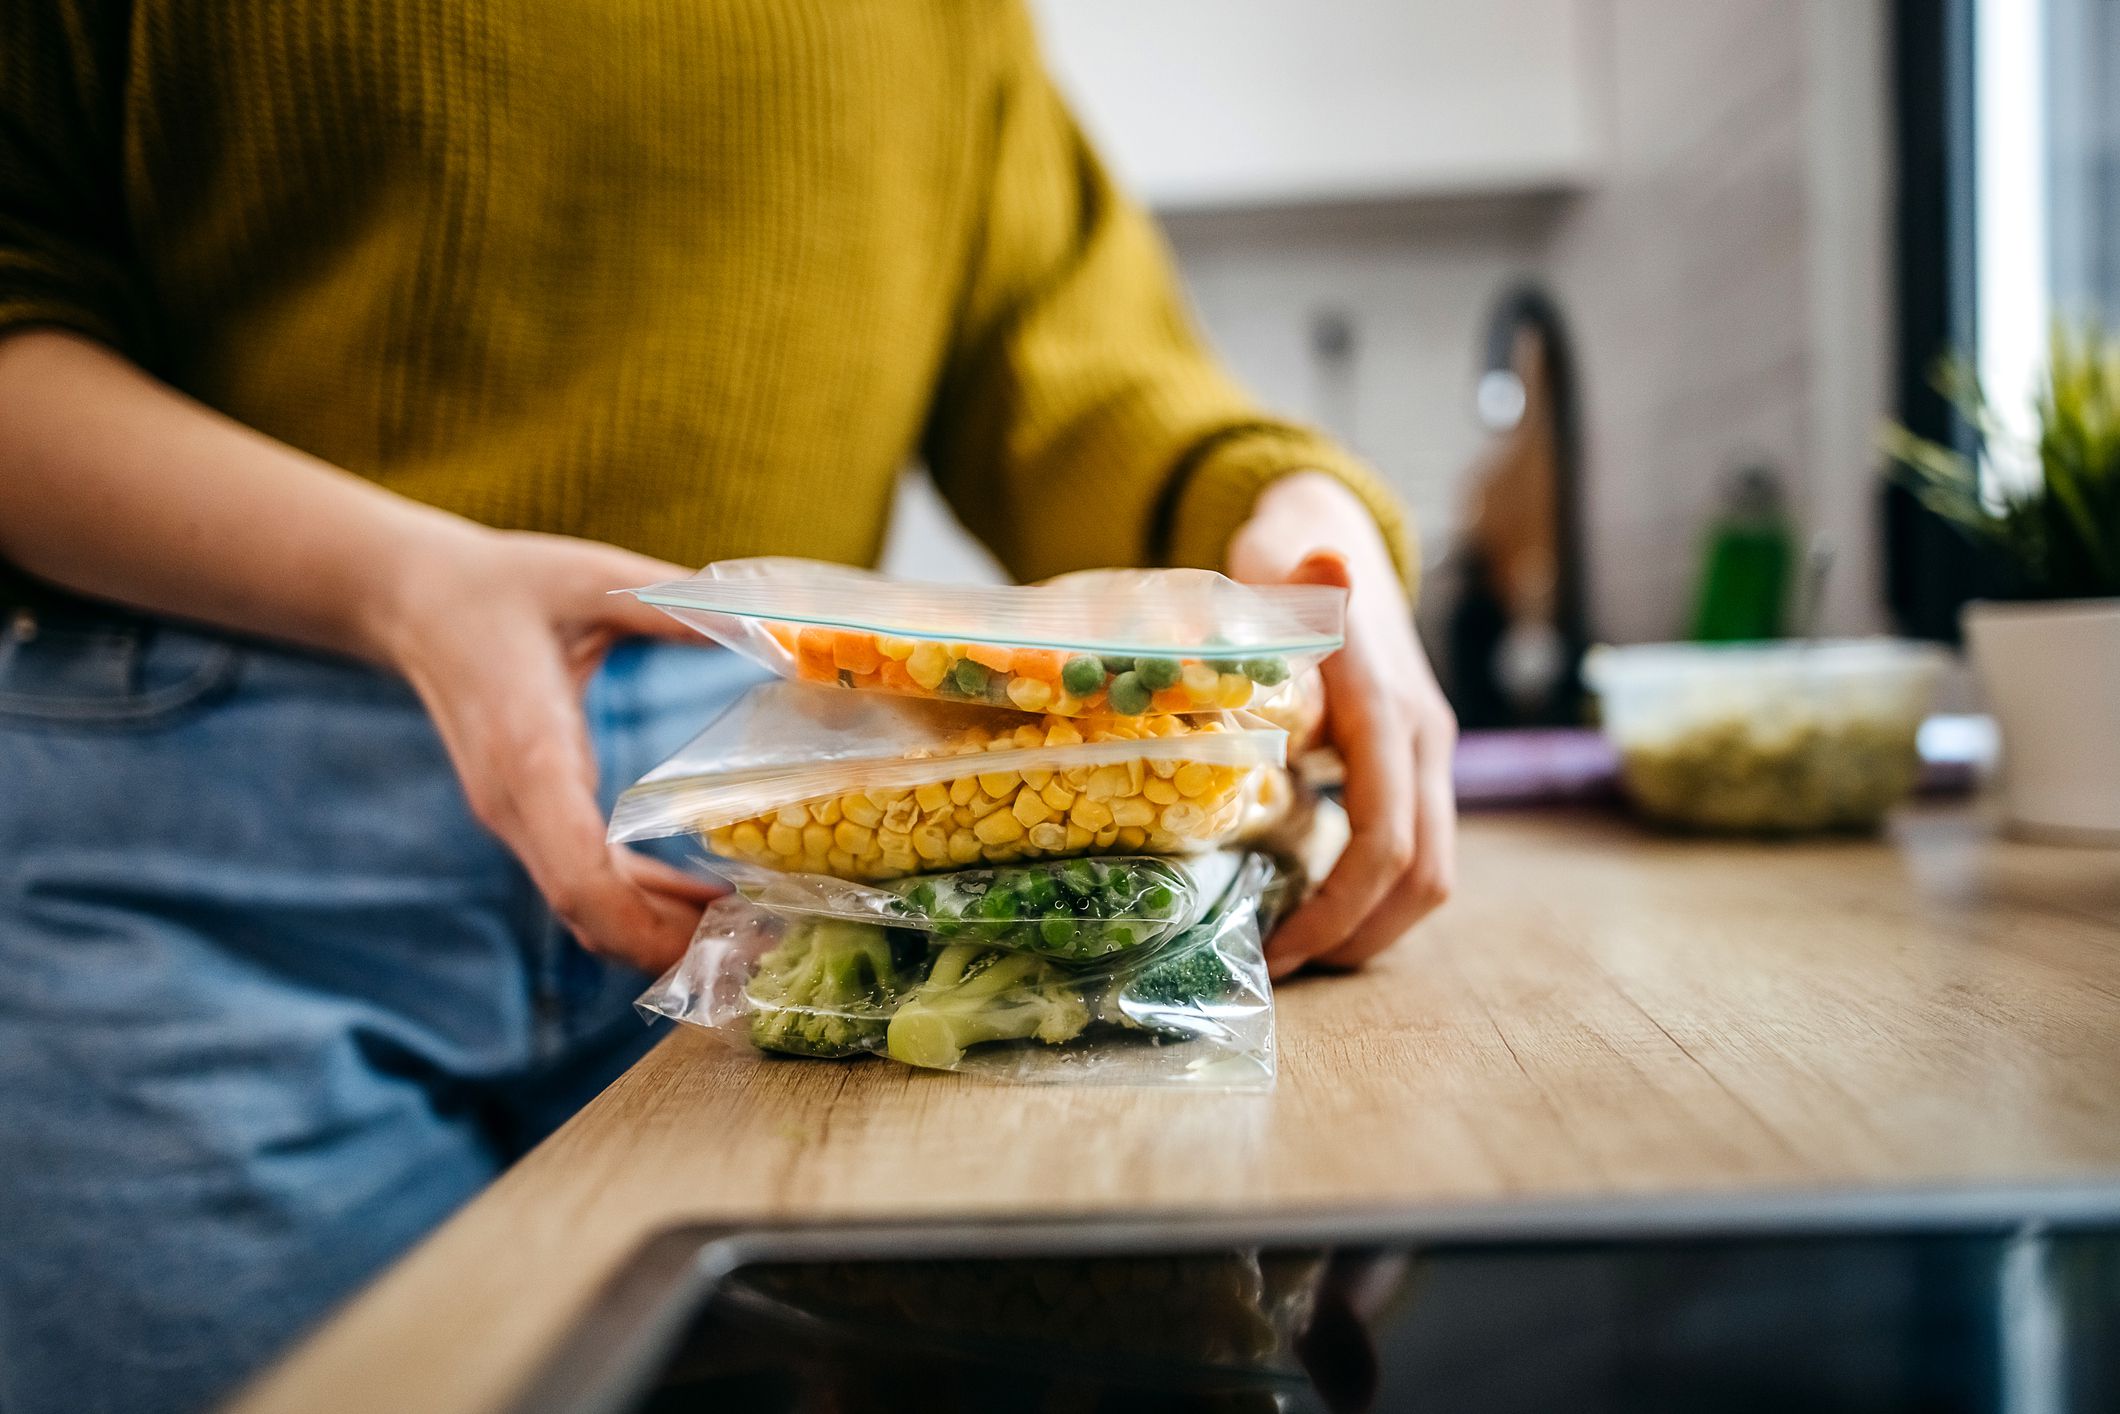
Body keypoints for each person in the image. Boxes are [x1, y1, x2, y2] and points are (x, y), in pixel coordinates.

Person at [0, 3, 1457, 1409]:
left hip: (805, 868)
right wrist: (403, 583)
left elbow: (1060, 354)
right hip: (200, 880)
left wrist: (1289, 518)